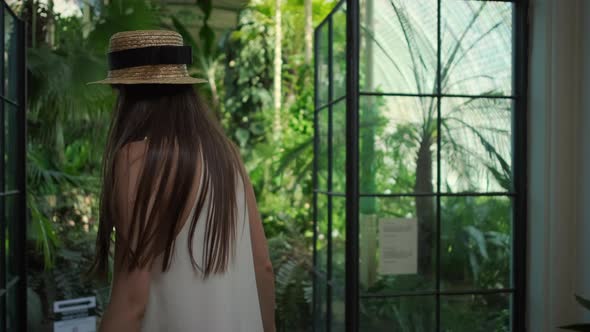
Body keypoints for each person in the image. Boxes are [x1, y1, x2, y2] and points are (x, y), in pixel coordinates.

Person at [87, 30, 275, 332]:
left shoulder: (136, 160)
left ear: (122, 91)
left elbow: (131, 302)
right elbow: (263, 267)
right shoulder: (228, 153)